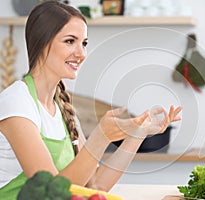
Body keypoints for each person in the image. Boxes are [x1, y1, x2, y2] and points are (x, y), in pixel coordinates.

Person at [0, 1, 182, 199]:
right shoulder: (16, 104)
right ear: (42, 42)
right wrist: (101, 137)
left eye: (84, 43)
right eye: (70, 41)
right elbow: (49, 193)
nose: (81, 53)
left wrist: (138, 134)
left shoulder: (62, 107)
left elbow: (96, 184)